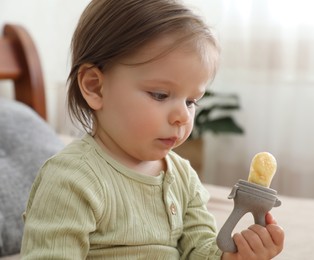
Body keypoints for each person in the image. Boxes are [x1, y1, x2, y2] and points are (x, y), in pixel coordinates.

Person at [20, 0, 284, 259]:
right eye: (160, 95)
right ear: (95, 87)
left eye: (191, 101)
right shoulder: (71, 180)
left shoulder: (182, 176)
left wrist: (232, 257)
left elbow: (199, 249)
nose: (183, 115)